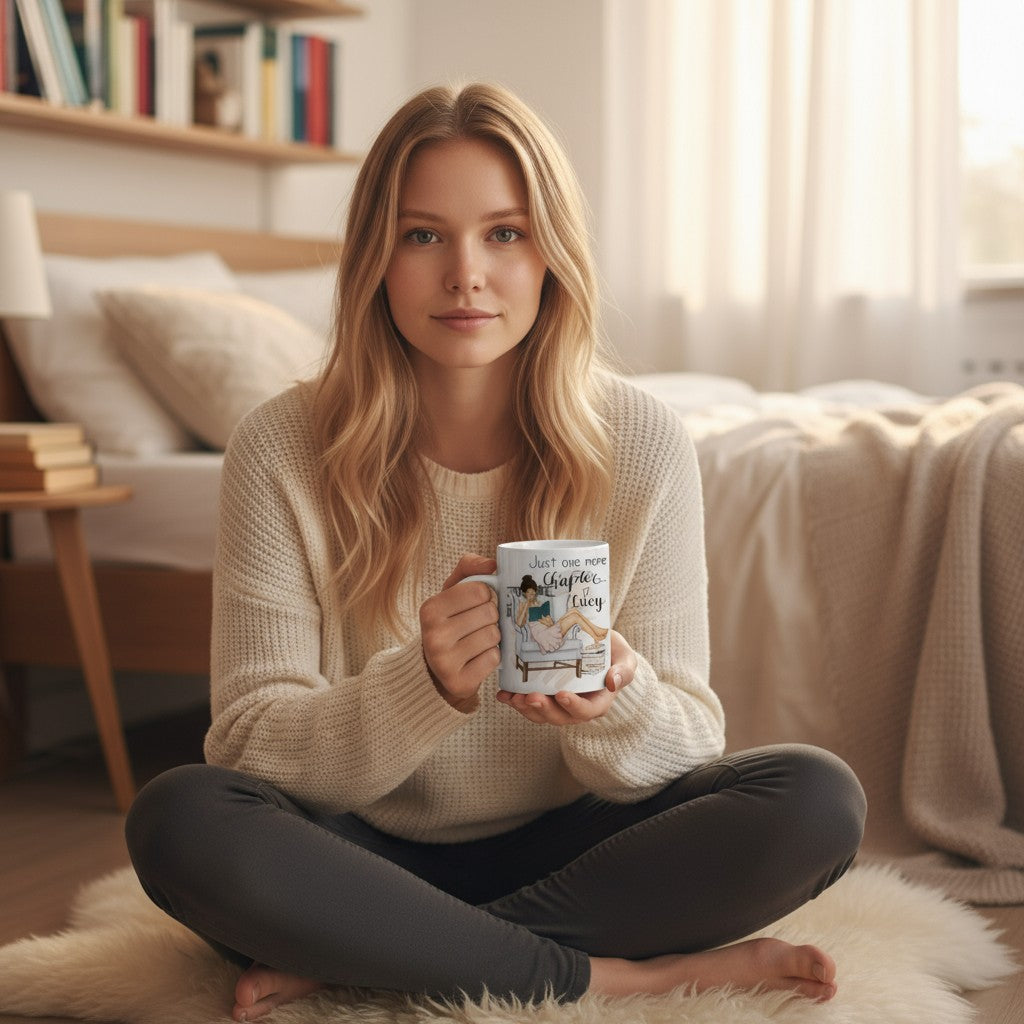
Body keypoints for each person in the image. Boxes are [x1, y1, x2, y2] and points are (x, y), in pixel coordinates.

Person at [125, 82, 866, 1022]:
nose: (465, 274)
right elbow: (249, 743)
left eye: (505, 234)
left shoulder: (642, 441)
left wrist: (616, 699)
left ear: (551, 251)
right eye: (423, 235)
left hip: (576, 847)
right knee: (180, 819)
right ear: (375, 261)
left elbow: (691, 740)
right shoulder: (281, 446)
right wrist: (421, 688)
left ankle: (383, 950)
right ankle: (604, 975)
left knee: (815, 798)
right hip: (360, 848)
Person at [515, 574, 608, 652]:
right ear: (524, 593)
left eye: (533, 592)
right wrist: (527, 605)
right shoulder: (523, 605)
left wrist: (547, 622)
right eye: (529, 593)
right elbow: (519, 624)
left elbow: (550, 623)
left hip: (548, 629)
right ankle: (596, 635)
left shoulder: (539, 603)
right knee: (574, 617)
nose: (532, 595)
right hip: (542, 636)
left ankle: (597, 631)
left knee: (574, 611)